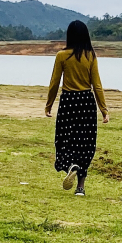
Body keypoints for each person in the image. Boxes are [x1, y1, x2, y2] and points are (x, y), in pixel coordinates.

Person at [44, 20, 108, 195]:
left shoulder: (61, 56)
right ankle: (80, 187)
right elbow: (97, 85)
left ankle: (70, 165)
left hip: (68, 103)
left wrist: (49, 105)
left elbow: (54, 83)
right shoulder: (91, 56)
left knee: (65, 140)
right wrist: (104, 110)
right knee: (85, 144)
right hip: (86, 103)